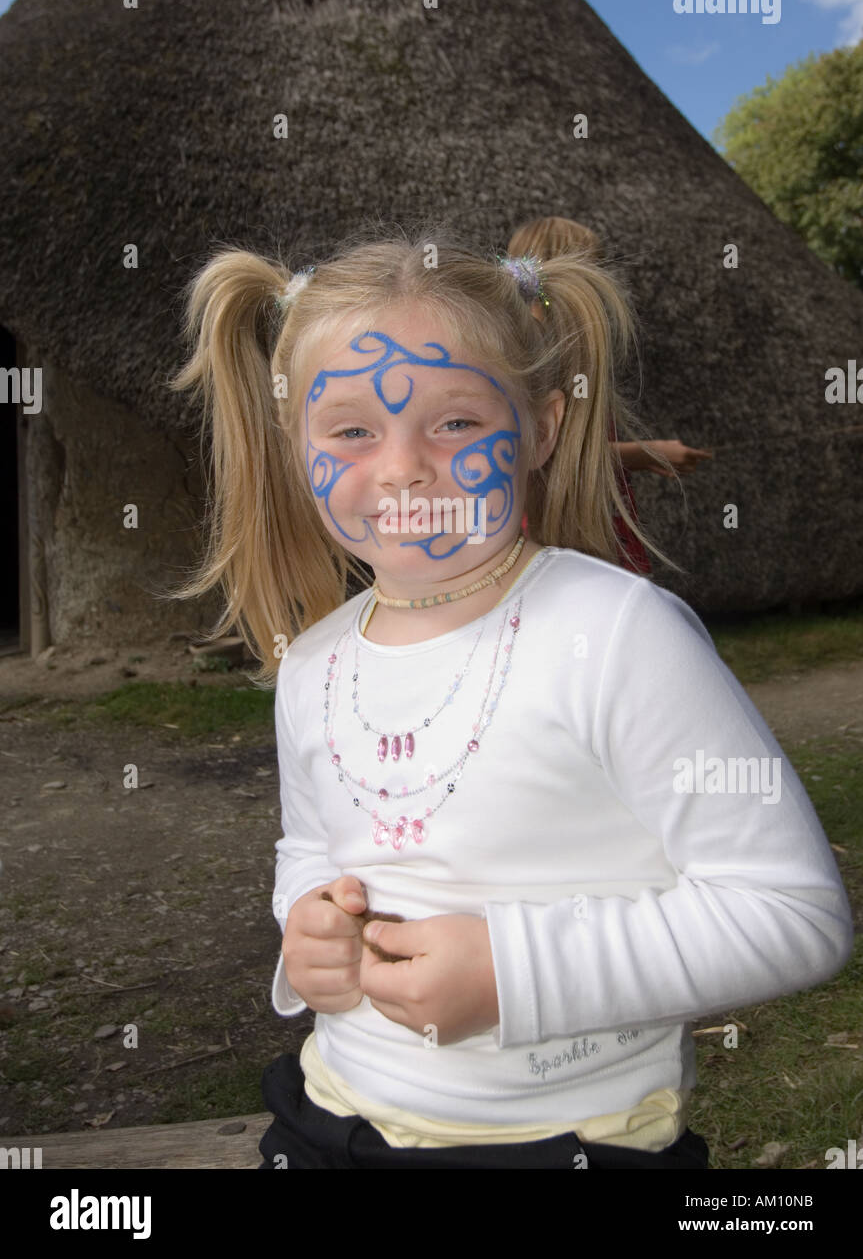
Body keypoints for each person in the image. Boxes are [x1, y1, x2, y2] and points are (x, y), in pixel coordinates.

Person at [168, 225, 852, 1170]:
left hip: (562, 1143)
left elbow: (792, 914)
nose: (403, 465)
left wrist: (514, 976)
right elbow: (312, 847)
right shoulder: (313, 662)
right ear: (296, 447)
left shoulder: (616, 636)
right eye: (352, 430)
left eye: (453, 422)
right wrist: (307, 927)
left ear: (542, 427)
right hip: (329, 1114)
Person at [508, 216, 713, 575]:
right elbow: (545, 452)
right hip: (558, 522)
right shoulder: (540, 351)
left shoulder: (535, 343)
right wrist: (650, 453)